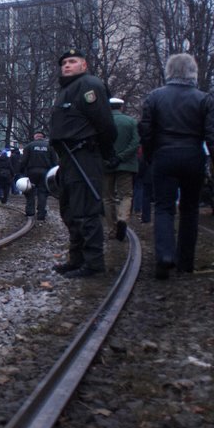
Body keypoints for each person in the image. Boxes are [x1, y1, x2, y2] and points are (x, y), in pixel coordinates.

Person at [138, 53, 214, 280]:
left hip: (164, 155)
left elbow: (146, 131)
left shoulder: (154, 97)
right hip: (193, 156)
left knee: (163, 208)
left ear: (169, 71)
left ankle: (165, 256)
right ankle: (185, 262)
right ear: (193, 72)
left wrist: (151, 157)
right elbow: (211, 134)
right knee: (190, 209)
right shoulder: (205, 99)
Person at [49, 48, 117, 278]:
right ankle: (76, 259)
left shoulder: (89, 85)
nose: (67, 65)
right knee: (70, 210)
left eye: (72, 61)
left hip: (84, 154)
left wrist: (105, 152)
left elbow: (105, 123)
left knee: (86, 211)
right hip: (69, 157)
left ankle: (93, 263)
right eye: (64, 62)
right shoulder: (66, 90)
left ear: (84, 65)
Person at [102, 97, 139, 242]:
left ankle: (112, 230)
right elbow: (135, 143)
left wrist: (109, 158)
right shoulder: (131, 122)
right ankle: (122, 217)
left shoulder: (102, 123)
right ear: (121, 107)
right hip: (126, 164)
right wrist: (121, 157)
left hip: (106, 165)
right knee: (126, 195)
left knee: (107, 198)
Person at [20, 131, 58, 222]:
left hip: (31, 172)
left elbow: (24, 161)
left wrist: (21, 172)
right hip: (45, 172)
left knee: (30, 191)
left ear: (35, 137)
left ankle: (30, 212)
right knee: (43, 193)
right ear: (43, 137)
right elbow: (54, 161)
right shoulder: (50, 147)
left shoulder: (29, 146)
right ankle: (41, 214)